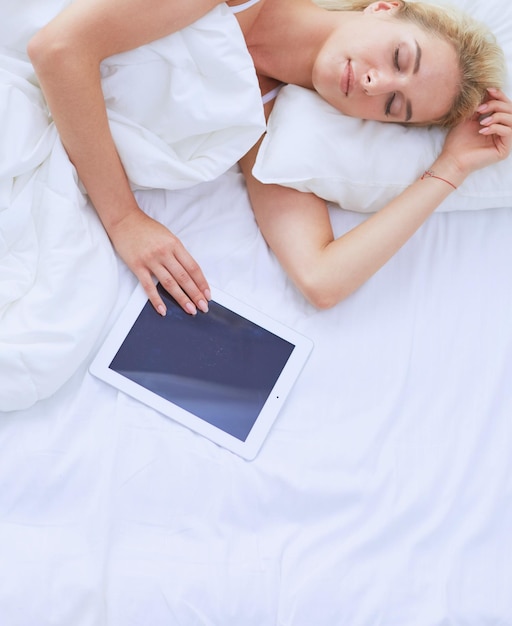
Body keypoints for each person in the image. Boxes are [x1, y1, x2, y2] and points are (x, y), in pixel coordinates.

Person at [27, 0, 511, 315]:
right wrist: (125, 219)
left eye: (393, 107)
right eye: (400, 58)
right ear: (384, 9)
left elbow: (322, 280)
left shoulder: (264, 121)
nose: (375, 83)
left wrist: (450, 169)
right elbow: (57, 48)